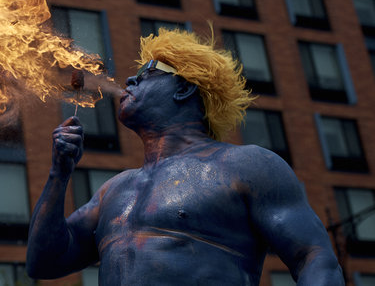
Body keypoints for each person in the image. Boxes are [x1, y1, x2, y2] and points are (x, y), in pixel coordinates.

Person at [26, 28, 344, 285]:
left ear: (184, 89)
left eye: (149, 71)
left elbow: (313, 258)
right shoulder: (113, 190)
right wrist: (59, 173)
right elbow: (43, 262)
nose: (131, 80)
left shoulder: (246, 166)